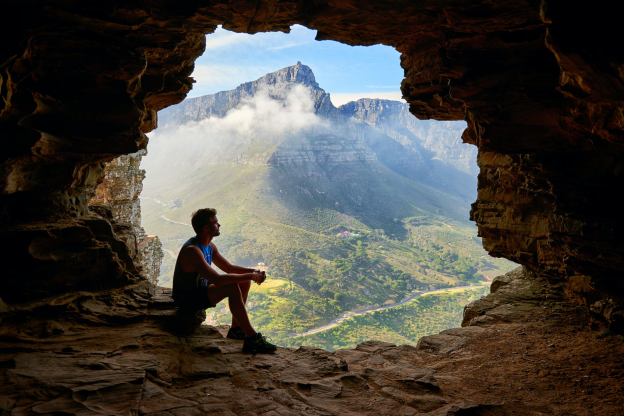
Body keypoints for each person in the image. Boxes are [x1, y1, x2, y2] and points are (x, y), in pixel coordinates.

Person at [172, 207, 277, 353]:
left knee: (243, 281)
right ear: (207, 228)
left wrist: (253, 272)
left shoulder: (209, 246)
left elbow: (228, 267)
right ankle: (253, 339)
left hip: (200, 291)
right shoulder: (193, 250)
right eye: (216, 223)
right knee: (232, 287)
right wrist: (252, 276)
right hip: (187, 299)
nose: (219, 225)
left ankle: (236, 330)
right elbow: (218, 279)